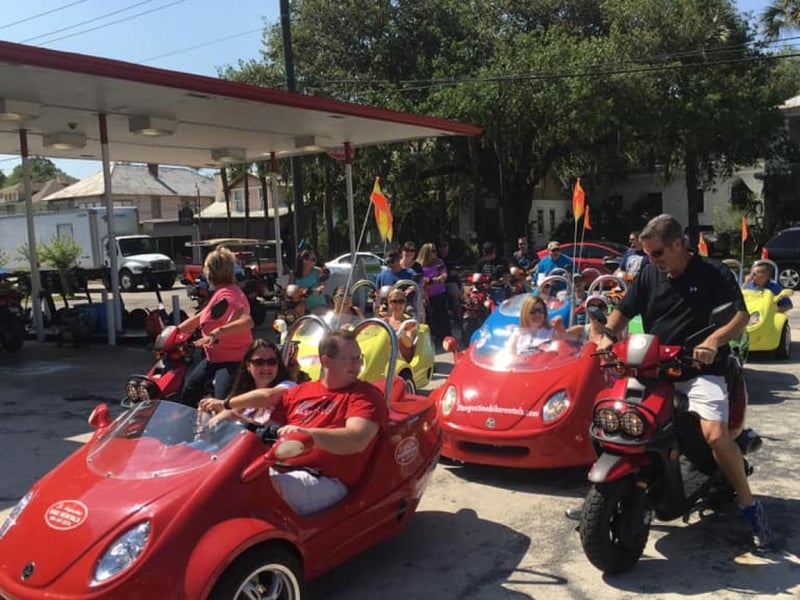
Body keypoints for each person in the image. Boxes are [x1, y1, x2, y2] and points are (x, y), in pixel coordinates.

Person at [597, 213, 772, 550]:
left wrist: (713, 342)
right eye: (647, 253)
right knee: (616, 419)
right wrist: (607, 335)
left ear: (678, 244)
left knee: (716, 435)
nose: (652, 259)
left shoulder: (714, 273)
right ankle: (606, 491)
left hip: (699, 370)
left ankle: (749, 505)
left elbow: (740, 316)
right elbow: (625, 309)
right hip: (654, 369)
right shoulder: (650, 273)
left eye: (657, 252)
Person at [232, 329, 387, 516]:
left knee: (256, 491)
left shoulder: (365, 395)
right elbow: (268, 431)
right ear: (326, 361)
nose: (357, 364)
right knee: (230, 480)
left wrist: (307, 434)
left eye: (358, 358)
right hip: (280, 468)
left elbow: (356, 439)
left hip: (326, 479)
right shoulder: (299, 392)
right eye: (350, 359)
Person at [178, 246, 254, 407]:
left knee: (222, 404)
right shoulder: (221, 293)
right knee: (189, 394)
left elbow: (247, 321)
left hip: (232, 361)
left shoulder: (228, 295)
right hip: (213, 359)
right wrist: (176, 331)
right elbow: (203, 314)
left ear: (210, 271)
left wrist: (216, 333)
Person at [199, 339, 296, 427]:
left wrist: (225, 405)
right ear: (248, 365)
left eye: (272, 361)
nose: (266, 367)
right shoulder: (244, 398)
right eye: (259, 362)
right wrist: (209, 411)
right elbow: (228, 414)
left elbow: (267, 396)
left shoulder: (289, 386)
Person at [417, 242, 451, 342]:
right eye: (433, 251)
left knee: (442, 315)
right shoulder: (418, 264)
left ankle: (444, 337)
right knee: (428, 317)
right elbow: (419, 278)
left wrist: (434, 280)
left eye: (435, 251)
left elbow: (444, 275)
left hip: (439, 292)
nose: (435, 253)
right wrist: (428, 282)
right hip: (425, 294)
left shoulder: (439, 262)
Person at [291, 248, 328, 314]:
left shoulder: (318, 271)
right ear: (301, 259)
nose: (309, 261)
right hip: (301, 305)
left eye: (313, 260)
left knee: (312, 315)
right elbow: (290, 290)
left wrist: (318, 290)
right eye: (306, 258)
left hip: (319, 305)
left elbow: (323, 286)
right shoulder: (293, 274)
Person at [384, 288, 417, 361]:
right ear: (389, 303)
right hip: (385, 357)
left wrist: (401, 333)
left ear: (405, 303)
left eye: (401, 301)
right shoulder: (385, 321)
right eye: (394, 301)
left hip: (402, 361)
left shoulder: (409, 322)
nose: (397, 305)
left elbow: (409, 344)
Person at [438, 240, 463, 324]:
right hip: (439, 282)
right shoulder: (437, 259)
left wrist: (460, 286)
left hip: (451, 282)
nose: (443, 248)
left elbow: (456, 273)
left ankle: (458, 318)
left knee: (454, 295)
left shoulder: (452, 258)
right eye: (442, 246)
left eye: (445, 246)